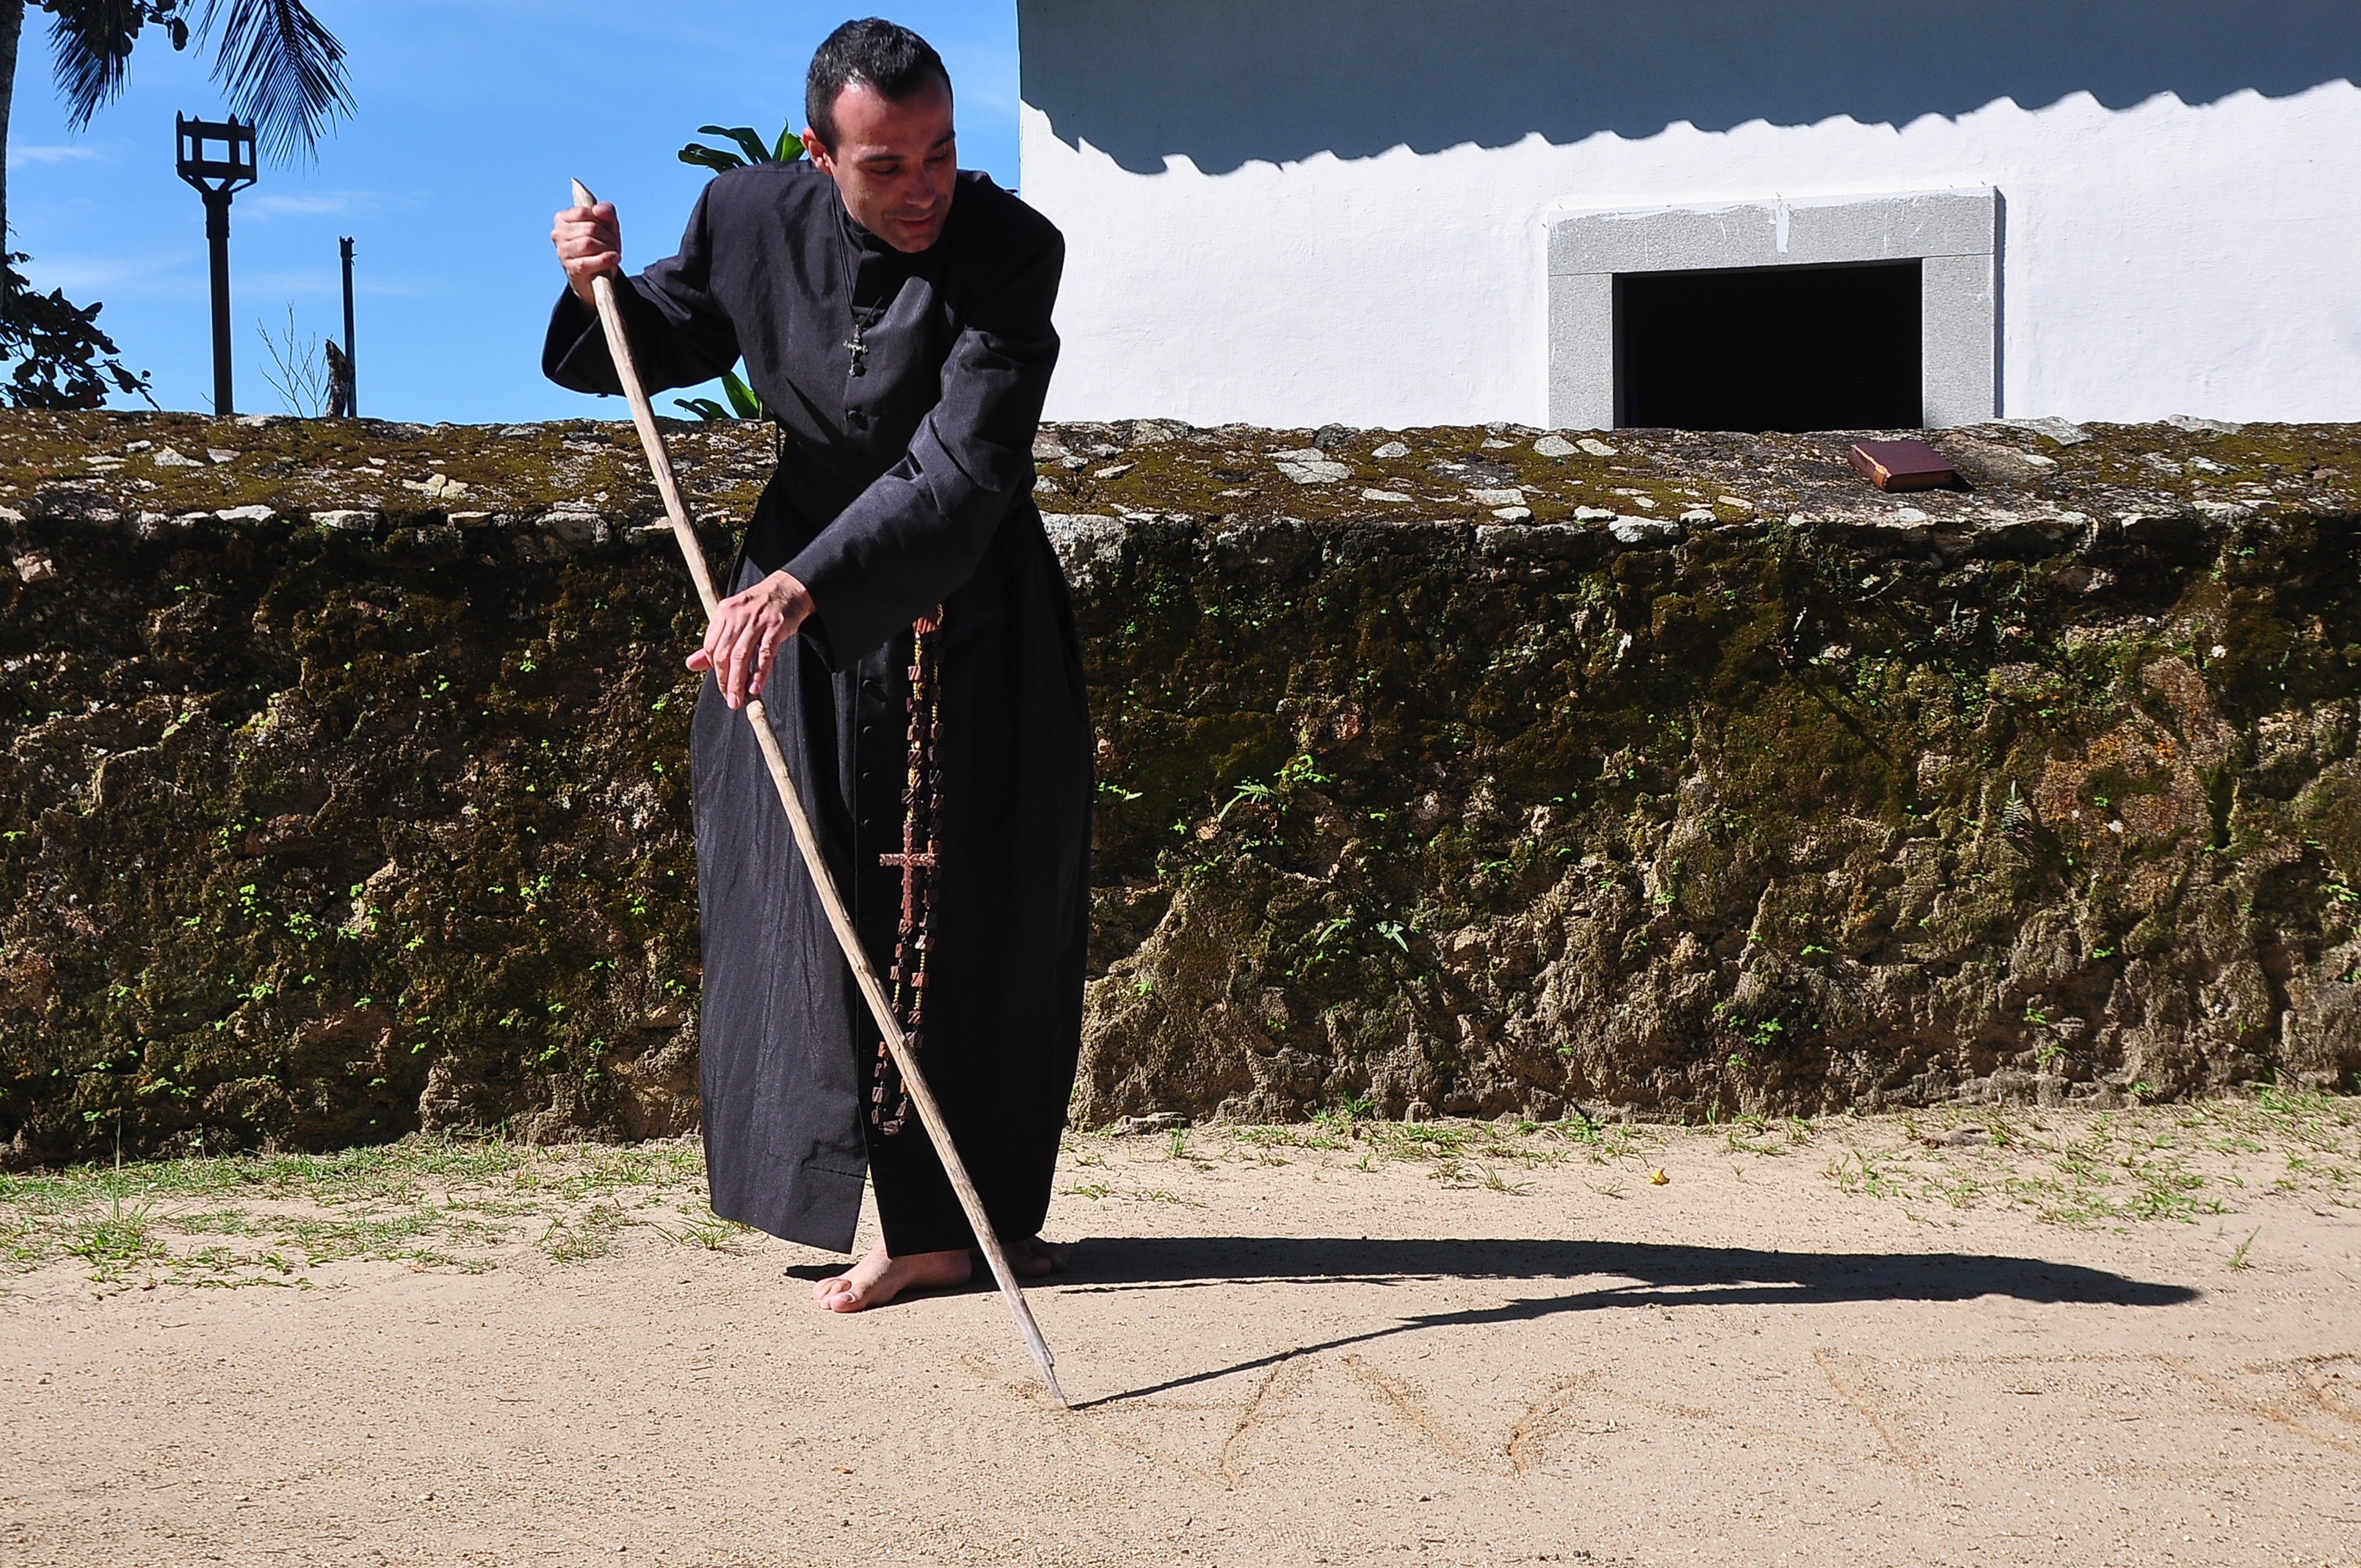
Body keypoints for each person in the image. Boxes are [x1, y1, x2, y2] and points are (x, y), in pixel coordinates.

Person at [544, 18, 1090, 1312]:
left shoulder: (1014, 251)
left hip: (967, 609)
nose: (924, 190)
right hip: (786, 619)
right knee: (801, 897)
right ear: (817, 153)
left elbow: (962, 472)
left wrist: (799, 587)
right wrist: (596, 287)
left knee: (971, 917)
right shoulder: (745, 213)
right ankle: (850, 1200)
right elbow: (663, 334)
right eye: (886, 165)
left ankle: (959, 1223)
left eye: (942, 154)